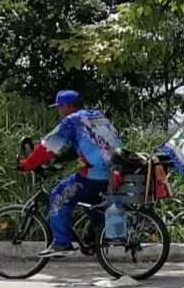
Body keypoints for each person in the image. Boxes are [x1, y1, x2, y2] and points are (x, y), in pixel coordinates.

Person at [18, 90, 125, 258]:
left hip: (95, 174)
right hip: (113, 172)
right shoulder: (95, 116)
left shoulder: (72, 120)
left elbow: (48, 146)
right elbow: (86, 146)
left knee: (58, 195)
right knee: (89, 200)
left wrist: (27, 164)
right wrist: (59, 160)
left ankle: (62, 242)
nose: (58, 112)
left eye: (59, 107)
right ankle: (101, 232)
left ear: (67, 106)